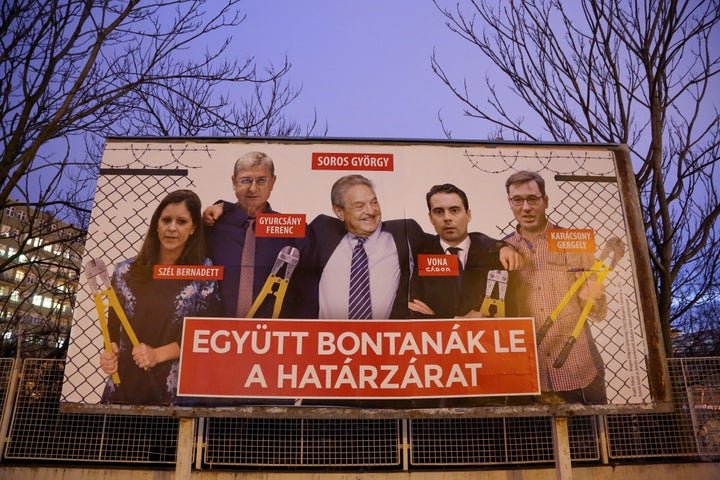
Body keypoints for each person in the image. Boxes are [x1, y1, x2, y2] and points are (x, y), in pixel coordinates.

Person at [98, 189, 222, 405]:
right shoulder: (124, 272)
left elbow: (207, 334)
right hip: (125, 388)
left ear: (193, 228)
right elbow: (113, 328)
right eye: (166, 220)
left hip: (174, 392)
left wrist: (157, 354)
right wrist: (110, 354)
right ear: (157, 225)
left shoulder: (203, 271)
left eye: (181, 221)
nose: (172, 228)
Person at [503, 170, 608, 404]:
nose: (526, 207)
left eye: (533, 199)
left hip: (578, 369)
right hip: (529, 374)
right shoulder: (503, 248)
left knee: (593, 439)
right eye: (517, 200)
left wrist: (594, 299)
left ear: (545, 200)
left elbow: (599, 314)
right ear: (509, 203)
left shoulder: (575, 242)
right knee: (534, 441)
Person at [292, 174, 426, 319]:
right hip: (327, 338)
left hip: (385, 338)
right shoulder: (322, 230)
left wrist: (444, 311)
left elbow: (443, 264)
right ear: (339, 212)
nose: (371, 211)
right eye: (359, 206)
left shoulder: (406, 232)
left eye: (374, 202)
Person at [203, 151, 298, 318]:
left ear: (273, 182)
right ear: (234, 182)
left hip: (274, 334)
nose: (253, 188)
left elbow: (306, 289)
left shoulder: (292, 230)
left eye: (261, 180)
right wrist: (222, 205)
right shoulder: (212, 227)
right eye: (246, 180)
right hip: (215, 332)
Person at [409, 183, 521, 318]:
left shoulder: (496, 255)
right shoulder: (419, 257)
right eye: (438, 212)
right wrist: (455, 321)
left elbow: (513, 312)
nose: (447, 218)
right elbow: (418, 313)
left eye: (454, 210)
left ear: (468, 215)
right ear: (430, 218)